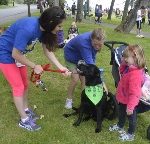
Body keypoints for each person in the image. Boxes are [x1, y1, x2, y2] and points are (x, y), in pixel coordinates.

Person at [0, 6, 70, 131]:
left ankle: (26, 109)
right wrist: (34, 65)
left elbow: (47, 51)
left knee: (25, 84)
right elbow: (15, 54)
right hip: (5, 53)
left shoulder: (43, 29)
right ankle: (24, 120)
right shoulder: (28, 28)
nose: (61, 29)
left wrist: (61, 67)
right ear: (51, 23)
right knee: (18, 87)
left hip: (17, 53)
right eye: (59, 26)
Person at [109, 45, 146, 141]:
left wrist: (130, 107)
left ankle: (130, 134)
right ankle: (120, 125)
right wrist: (124, 63)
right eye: (124, 57)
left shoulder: (135, 75)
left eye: (126, 57)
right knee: (121, 113)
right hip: (123, 98)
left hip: (130, 102)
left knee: (131, 118)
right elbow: (121, 71)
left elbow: (135, 93)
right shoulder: (129, 67)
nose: (124, 59)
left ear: (135, 58)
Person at [64, 28, 105, 109]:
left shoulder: (97, 39)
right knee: (75, 79)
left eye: (99, 45)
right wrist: (101, 81)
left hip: (82, 58)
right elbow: (90, 63)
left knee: (84, 80)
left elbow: (92, 57)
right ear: (91, 39)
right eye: (95, 44)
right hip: (71, 58)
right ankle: (69, 99)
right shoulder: (84, 43)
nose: (97, 47)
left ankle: (85, 100)